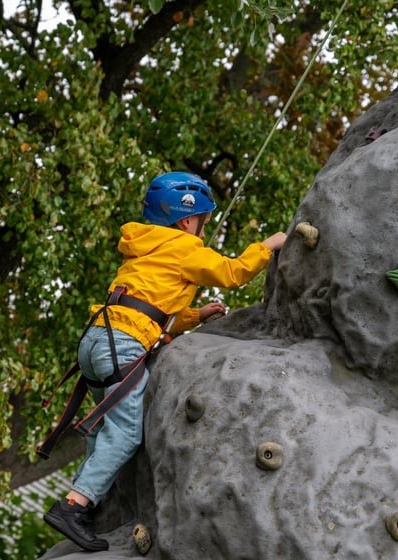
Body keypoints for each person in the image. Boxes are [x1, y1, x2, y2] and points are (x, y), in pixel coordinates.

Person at [42, 171, 287, 551]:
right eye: (203, 222)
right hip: (122, 345)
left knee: (106, 428)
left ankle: (90, 502)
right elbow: (232, 273)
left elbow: (152, 305)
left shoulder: (145, 245)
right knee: (124, 432)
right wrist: (269, 245)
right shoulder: (185, 248)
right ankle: (74, 506)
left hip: (96, 339)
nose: (204, 230)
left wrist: (195, 315)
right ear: (187, 219)